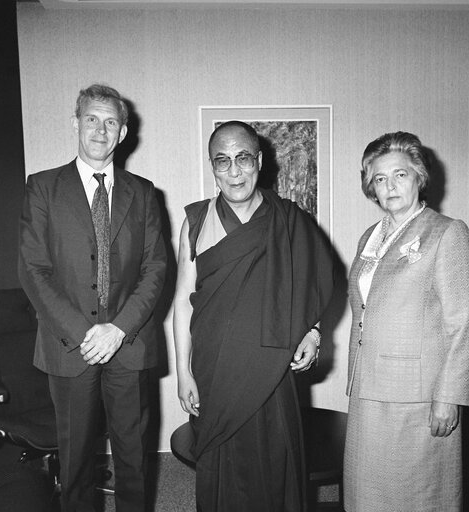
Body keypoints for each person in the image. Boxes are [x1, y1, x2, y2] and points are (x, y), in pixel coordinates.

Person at [18, 84, 167, 512]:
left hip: (130, 343)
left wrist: (118, 329)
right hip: (70, 347)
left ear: (123, 133)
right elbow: (33, 269)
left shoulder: (144, 193)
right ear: (76, 124)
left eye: (110, 122)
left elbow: (156, 268)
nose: (100, 130)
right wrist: (87, 333)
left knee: (135, 458)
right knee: (77, 461)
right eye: (91, 119)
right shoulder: (43, 188)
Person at [173, 120, 333, 511]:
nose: (233, 171)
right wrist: (183, 370)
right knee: (222, 464)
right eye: (222, 161)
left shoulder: (290, 220)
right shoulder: (196, 222)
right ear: (212, 167)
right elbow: (182, 300)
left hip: (272, 365)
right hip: (217, 368)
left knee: (276, 460)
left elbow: (313, 282)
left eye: (242, 158)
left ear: (259, 161)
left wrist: (312, 332)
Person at [343, 131, 469, 512]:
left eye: (400, 175)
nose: (390, 186)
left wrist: (449, 397)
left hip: (418, 395)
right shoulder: (370, 237)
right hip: (368, 385)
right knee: (366, 493)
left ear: (419, 177)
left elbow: (462, 321)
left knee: (418, 494)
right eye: (379, 179)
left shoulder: (447, 232)